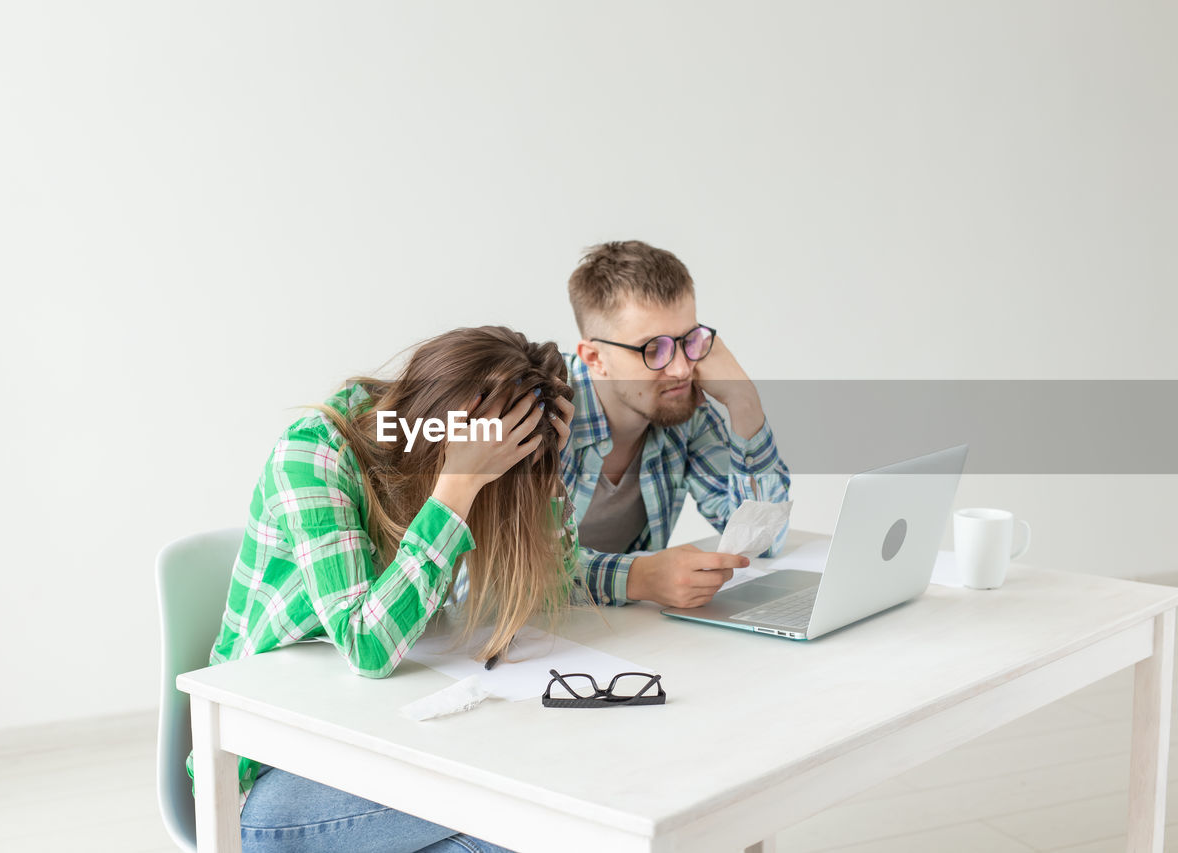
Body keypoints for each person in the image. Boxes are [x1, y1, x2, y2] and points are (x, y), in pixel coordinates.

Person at [194, 325, 579, 853]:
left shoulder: (451, 456)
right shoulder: (313, 454)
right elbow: (367, 646)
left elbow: (555, 585)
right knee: (538, 806)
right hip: (261, 781)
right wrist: (458, 485)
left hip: (380, 729)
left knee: (531, 806)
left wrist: (548, 467)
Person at [563, 240, 792, 609]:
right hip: (508, 641)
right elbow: (511, 572)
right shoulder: (541, 414)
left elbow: (767, 539)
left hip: (618, 635)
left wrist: (744, 401)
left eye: (689, 341)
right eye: (653, 349)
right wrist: (639, 578)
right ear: (595, 358)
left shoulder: (682, 413)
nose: (682, 368)